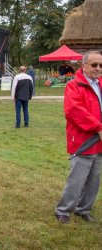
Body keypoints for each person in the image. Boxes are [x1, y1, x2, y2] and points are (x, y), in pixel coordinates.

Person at [55, 51, 102, 224]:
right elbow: (74, 111)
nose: (98, 68)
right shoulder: (74, 86)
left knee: (94, 180)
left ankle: (84, 209)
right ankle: (63, 210)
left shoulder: (100, 84)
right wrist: (98, 127)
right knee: (77, 179)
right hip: (83, 140)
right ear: (84, 66)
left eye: (101, 65)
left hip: (99, 142)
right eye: (94, 65)